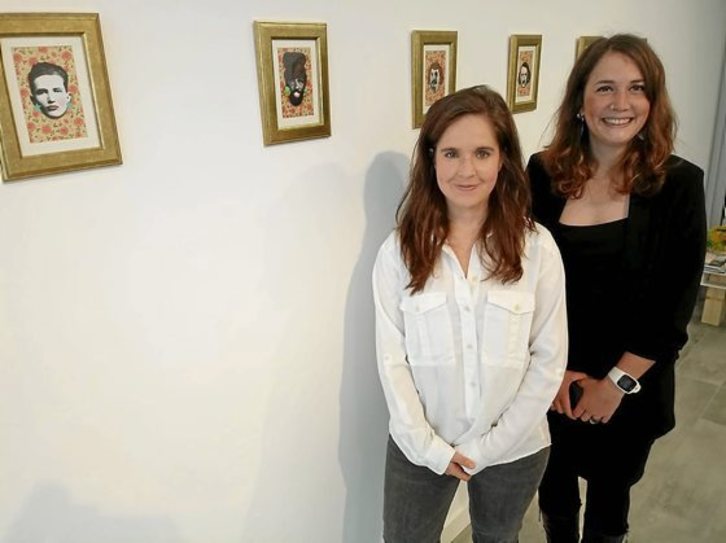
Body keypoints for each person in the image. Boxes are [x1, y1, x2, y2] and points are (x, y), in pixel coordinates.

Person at [526, 34, 707, 543]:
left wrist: (615, 385)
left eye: (637, 88)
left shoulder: (679, 184)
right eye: (605, 87)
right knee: (554, 496)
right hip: (552, 379)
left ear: (653, 102)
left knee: (609, 508)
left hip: (629, 389)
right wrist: (551, 372)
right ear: (580, 100)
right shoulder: (542, 173)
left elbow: (673, 307)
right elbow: (523, 282)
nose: (620, 103)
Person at [373, 85, 568, 543]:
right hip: (420, 444)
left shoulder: (537, 248)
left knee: (498, 538)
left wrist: (488, 447)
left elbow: (548, 359)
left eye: (482, 153)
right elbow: (391, 360)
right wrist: (429, 448)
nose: (467, 170)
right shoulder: (398, 252)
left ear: (503, 160)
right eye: (451, 153)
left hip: (514, 446)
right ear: (431, 160)